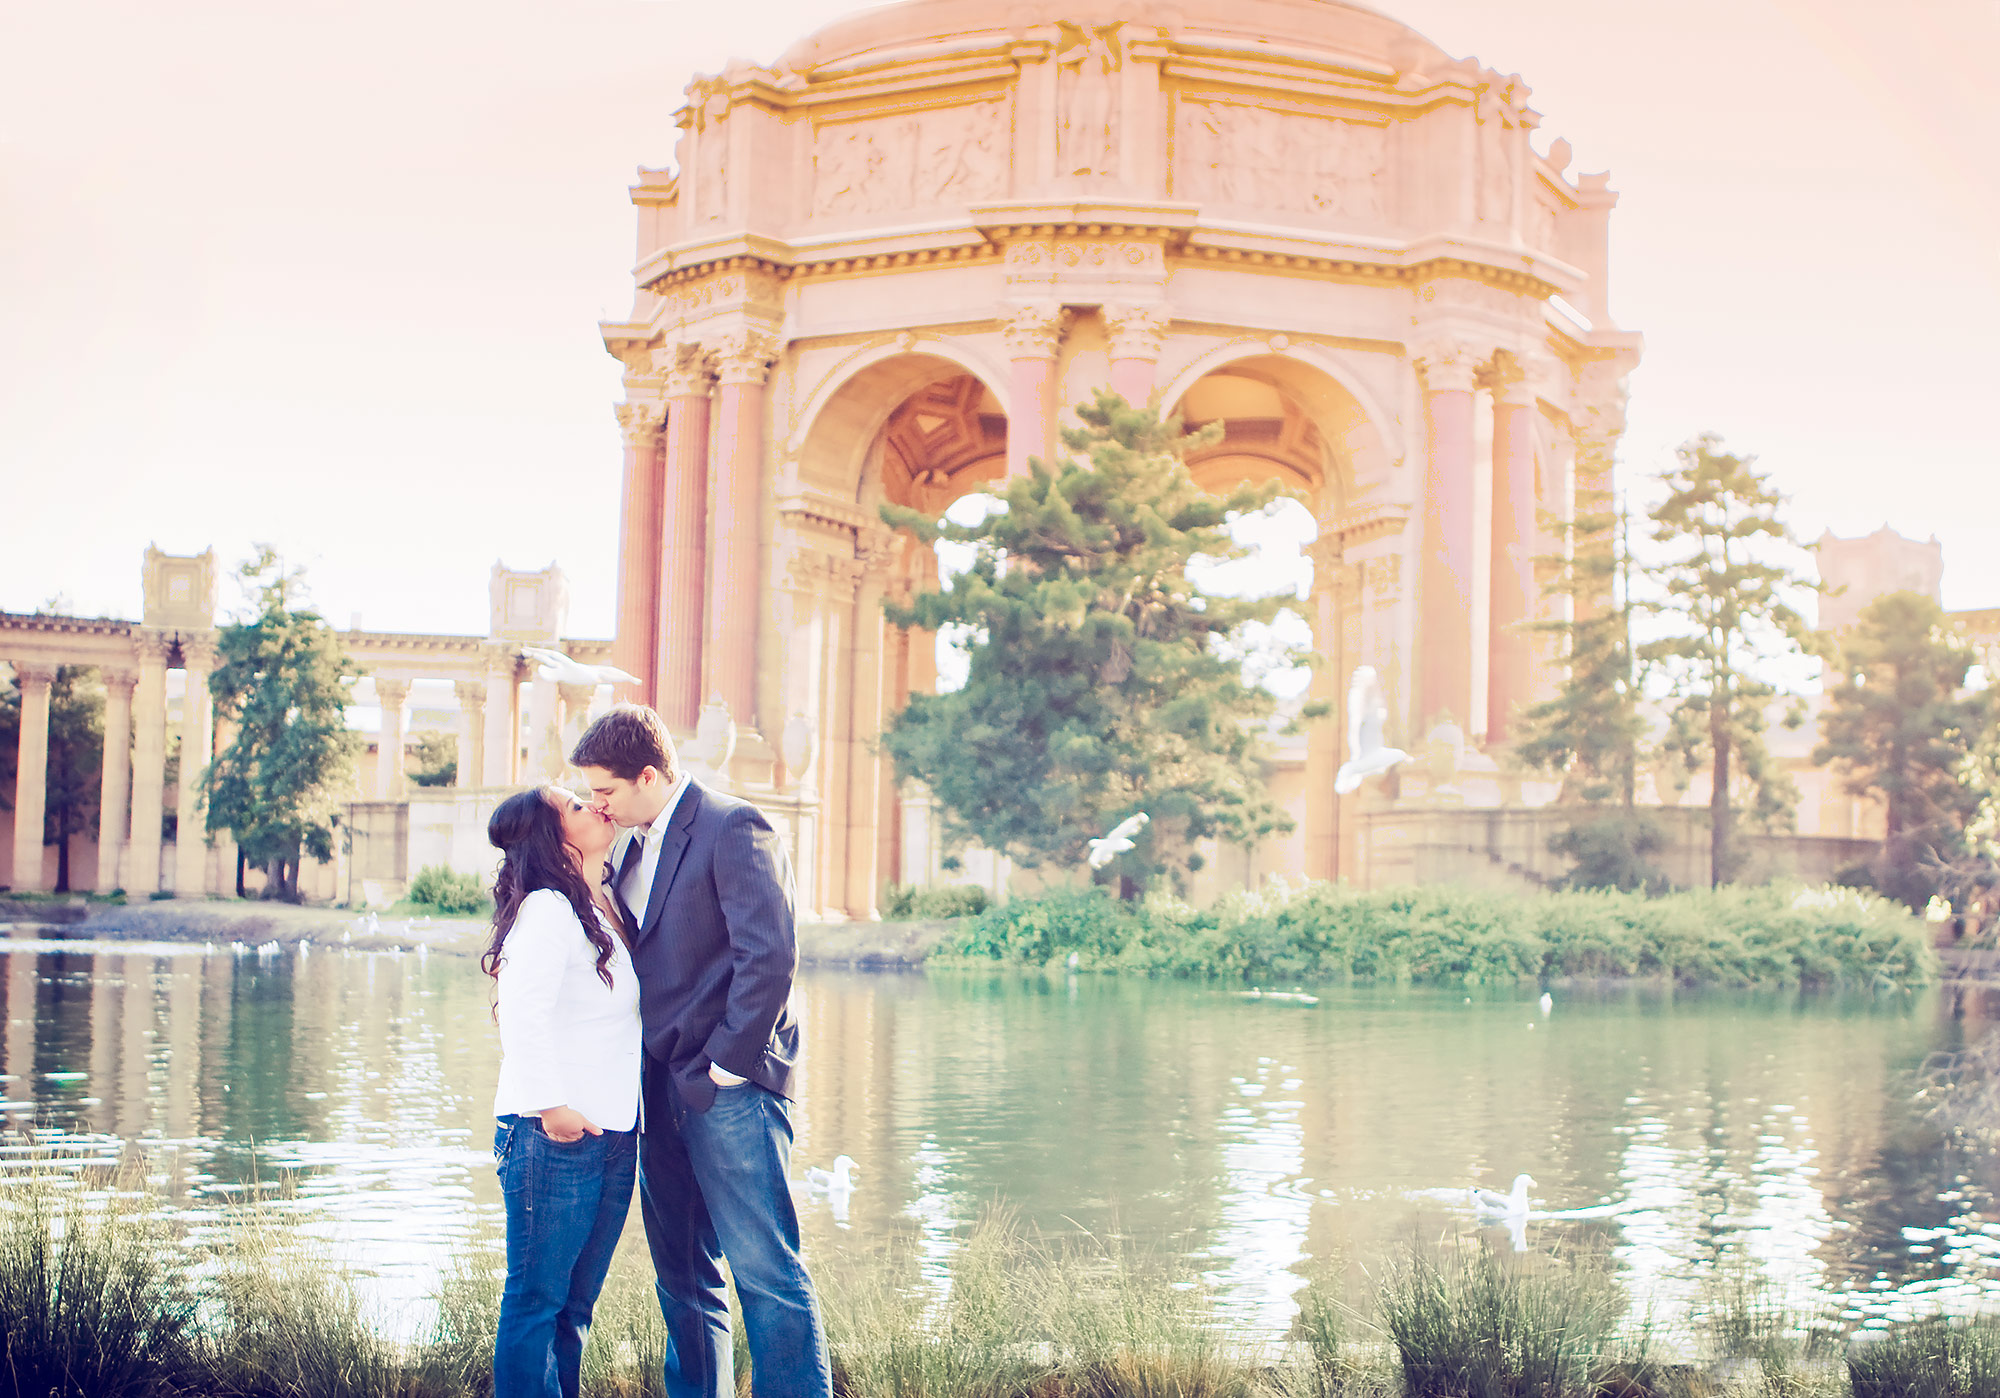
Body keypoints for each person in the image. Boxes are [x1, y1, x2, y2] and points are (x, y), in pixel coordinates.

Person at [569, 704, 831, 1398]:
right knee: (684, 1279)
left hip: (731, 1090)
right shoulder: (625, 844)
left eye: (607, 791)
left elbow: (770, 958)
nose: (598, 805)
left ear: (649, 774)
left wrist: (725, 1067)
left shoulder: (733, 826)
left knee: (767, 1275)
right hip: (657, 1091)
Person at [484, 785, 643, 1398]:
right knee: (536, 1301)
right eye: (577, 806)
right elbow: (522, 1014)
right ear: (554, 838)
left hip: (609, 1131)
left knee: (574, 1310)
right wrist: (554, 1109)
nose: (596, 806)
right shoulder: (549, 907)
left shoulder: (596, 905)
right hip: (552, 1135)